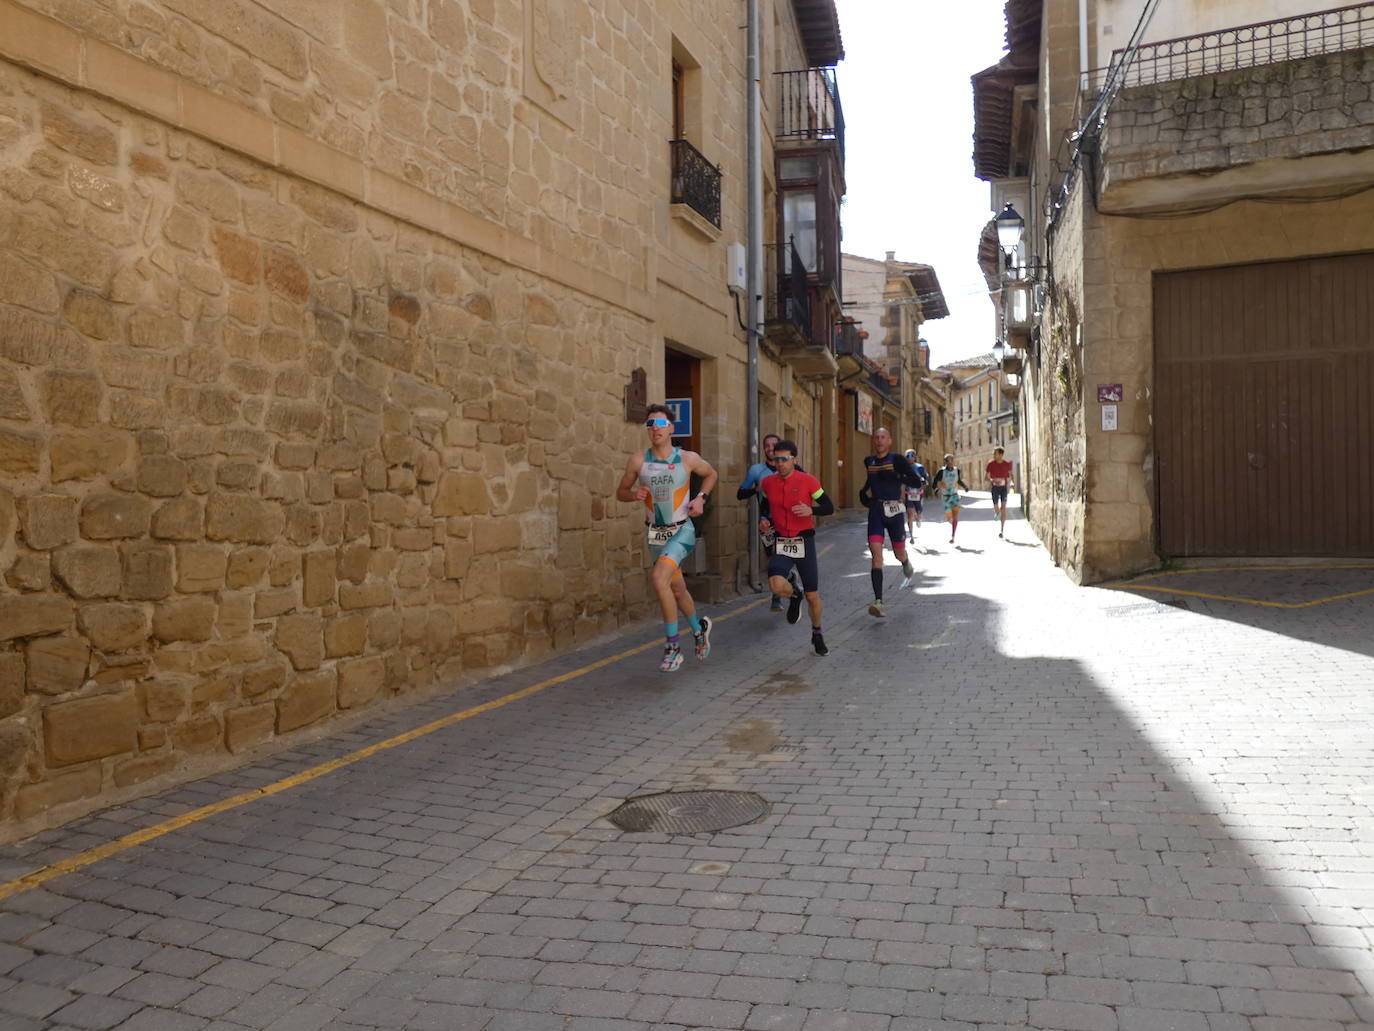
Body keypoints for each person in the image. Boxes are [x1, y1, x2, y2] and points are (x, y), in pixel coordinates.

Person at [616, 404, 719, 672]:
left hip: (682, 530)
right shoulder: (639, 461)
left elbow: (711, 474)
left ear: (671, 428)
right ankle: (699, 630)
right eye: (650, 425)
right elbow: (621, 491)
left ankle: (673, 647)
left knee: (658, 579)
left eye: (660, 424)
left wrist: (700, 498)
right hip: (655, 533)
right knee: (676, 588)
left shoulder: (687, 458)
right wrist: (633, 495)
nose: (655, 429)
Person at [757, 439, 834, 655]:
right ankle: (793, 595)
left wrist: (811, 511)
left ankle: (817, 633)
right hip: (782, 541)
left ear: (794, 460)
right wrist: (765, 519)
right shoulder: (768, 483)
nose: (779, 463)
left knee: (813, 595)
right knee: (775, 584)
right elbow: (765, 504)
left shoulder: (809, 481)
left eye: (784, 459)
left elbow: (829, 506)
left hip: (804, 541)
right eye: (776, 459)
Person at [857, 428, 924, 617]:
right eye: (876, 438)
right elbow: (871, 482)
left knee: (898, 552)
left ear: (890, 441)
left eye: (883, 438)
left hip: (894, 511)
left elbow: (916, 482)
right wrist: (864, 492)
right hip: (877, 511)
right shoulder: (869, 462)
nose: (879, 441)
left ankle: (905, 561)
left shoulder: (897, 460)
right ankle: (878, 602)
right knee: (876, 555)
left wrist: (896, 476)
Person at [737, 433, 802, 611]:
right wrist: (756, 489)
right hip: (766, 522)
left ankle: (776, 598)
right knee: (772, 558)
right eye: (766, 445)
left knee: (782, 556)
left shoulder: (794, 468)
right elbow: (740, 494)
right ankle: (790, 580)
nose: (770, 448)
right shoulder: (756, 471)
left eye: (774, 445)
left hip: (789, 522)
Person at [932, 453, 970, 544]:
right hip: (946, 497)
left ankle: (953, 535)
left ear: (954, 461)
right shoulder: (941, 471)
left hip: (955, 496)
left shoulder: (957, 470)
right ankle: (952, 524)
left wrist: (965, 487)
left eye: (951, 460)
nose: (950, 462)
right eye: (948, 460)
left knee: (955, 516)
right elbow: (935, 482)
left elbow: (958, 480)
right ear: (945, 462)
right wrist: (936, 489)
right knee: (949, 518)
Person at [986, 446, 1015, 539]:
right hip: (995, 488)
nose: (993, 455)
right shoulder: (990, 464)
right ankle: (997, 513)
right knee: (996, 506)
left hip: (1003, 488)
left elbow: (1011, 475)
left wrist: (1012, 483)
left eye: (995, 453)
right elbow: (986, 477)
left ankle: (1001, 529)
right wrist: (992, 480)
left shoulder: (1007, 464)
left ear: (1001, 455)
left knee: (1003, 508)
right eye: (993, 453)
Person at [902, 449, 928, 542]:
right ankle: (911, 535)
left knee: (919, 511)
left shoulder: (919, 467)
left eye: (911, 456)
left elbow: (925, 476)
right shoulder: (904, 468)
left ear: (914, 457)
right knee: (909, 515)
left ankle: (918, 518)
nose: (909, 458)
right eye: (907, 456)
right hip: (908, 493)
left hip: (918, 493)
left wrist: (924, 480)